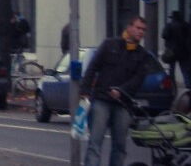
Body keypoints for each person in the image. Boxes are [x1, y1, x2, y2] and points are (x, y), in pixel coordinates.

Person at [81, 16, 154, 166]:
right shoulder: (110, 45)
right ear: (129, 27)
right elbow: (93, 67)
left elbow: (138, 79)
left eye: (143, 30)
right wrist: (85, 90)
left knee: (120, 146)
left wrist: (121, 91)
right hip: (102, 100)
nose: (141, 32)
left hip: (124, 104)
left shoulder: (142, 55)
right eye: (138, 28)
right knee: (95, 142)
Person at [162, 11, 191, 85]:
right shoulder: (185, 25)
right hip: (183, 51)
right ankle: (188, 86)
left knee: (171, 69)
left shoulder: (169, 25)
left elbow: (164, 35)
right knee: (185, 70)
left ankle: (172, 85)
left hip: (171, 50)